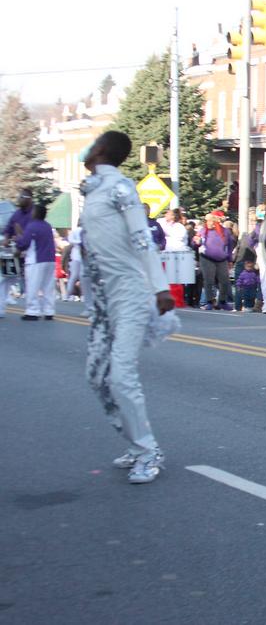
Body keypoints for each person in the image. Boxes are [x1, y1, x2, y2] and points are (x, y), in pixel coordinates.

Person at [79, 130, 175, 484]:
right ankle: (136, 445)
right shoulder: (93, 191)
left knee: (121, 376)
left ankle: (148, 453)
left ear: (101, 150)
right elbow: (91, 248)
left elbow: (141, 238)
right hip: (105, 300)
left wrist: (161, 288)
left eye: (92, 144)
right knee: (97, 376)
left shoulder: (121, 188)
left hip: (132, 295)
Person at [14, 204, 57, 320]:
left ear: (36, 213)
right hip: (50, 259)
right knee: (48, 286)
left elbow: (24, 243)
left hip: (36, 260)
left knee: (33, 285)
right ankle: (49, 311)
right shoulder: (48, 226)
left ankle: (32, 311)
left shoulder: (32, 226)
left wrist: (18, 236)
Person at [0, 188, 33, 318]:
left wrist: (20, 236)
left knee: (31, 281)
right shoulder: (16, 214)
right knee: (4, 279)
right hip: (15, 250)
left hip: (30, 251)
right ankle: (1, 308)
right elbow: (8, 228)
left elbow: (35, 230)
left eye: (21, 197)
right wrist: (8, 237)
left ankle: (36, 310)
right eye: (19, 197)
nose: (19, 200)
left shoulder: (34, 213)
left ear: (28, 198)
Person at [193, 211, 233, 310]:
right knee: (208, 280)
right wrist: (196, 242)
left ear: (216, 221)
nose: (209, 223)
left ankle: (222, 301)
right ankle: (210, 301)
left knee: (224, 281)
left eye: (211, 221)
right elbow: (195, 243)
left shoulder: (225, 232)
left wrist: (230, 259)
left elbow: (230, 246)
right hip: (207, 258)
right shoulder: (203, 231)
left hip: (222, 259)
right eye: (208, 221)